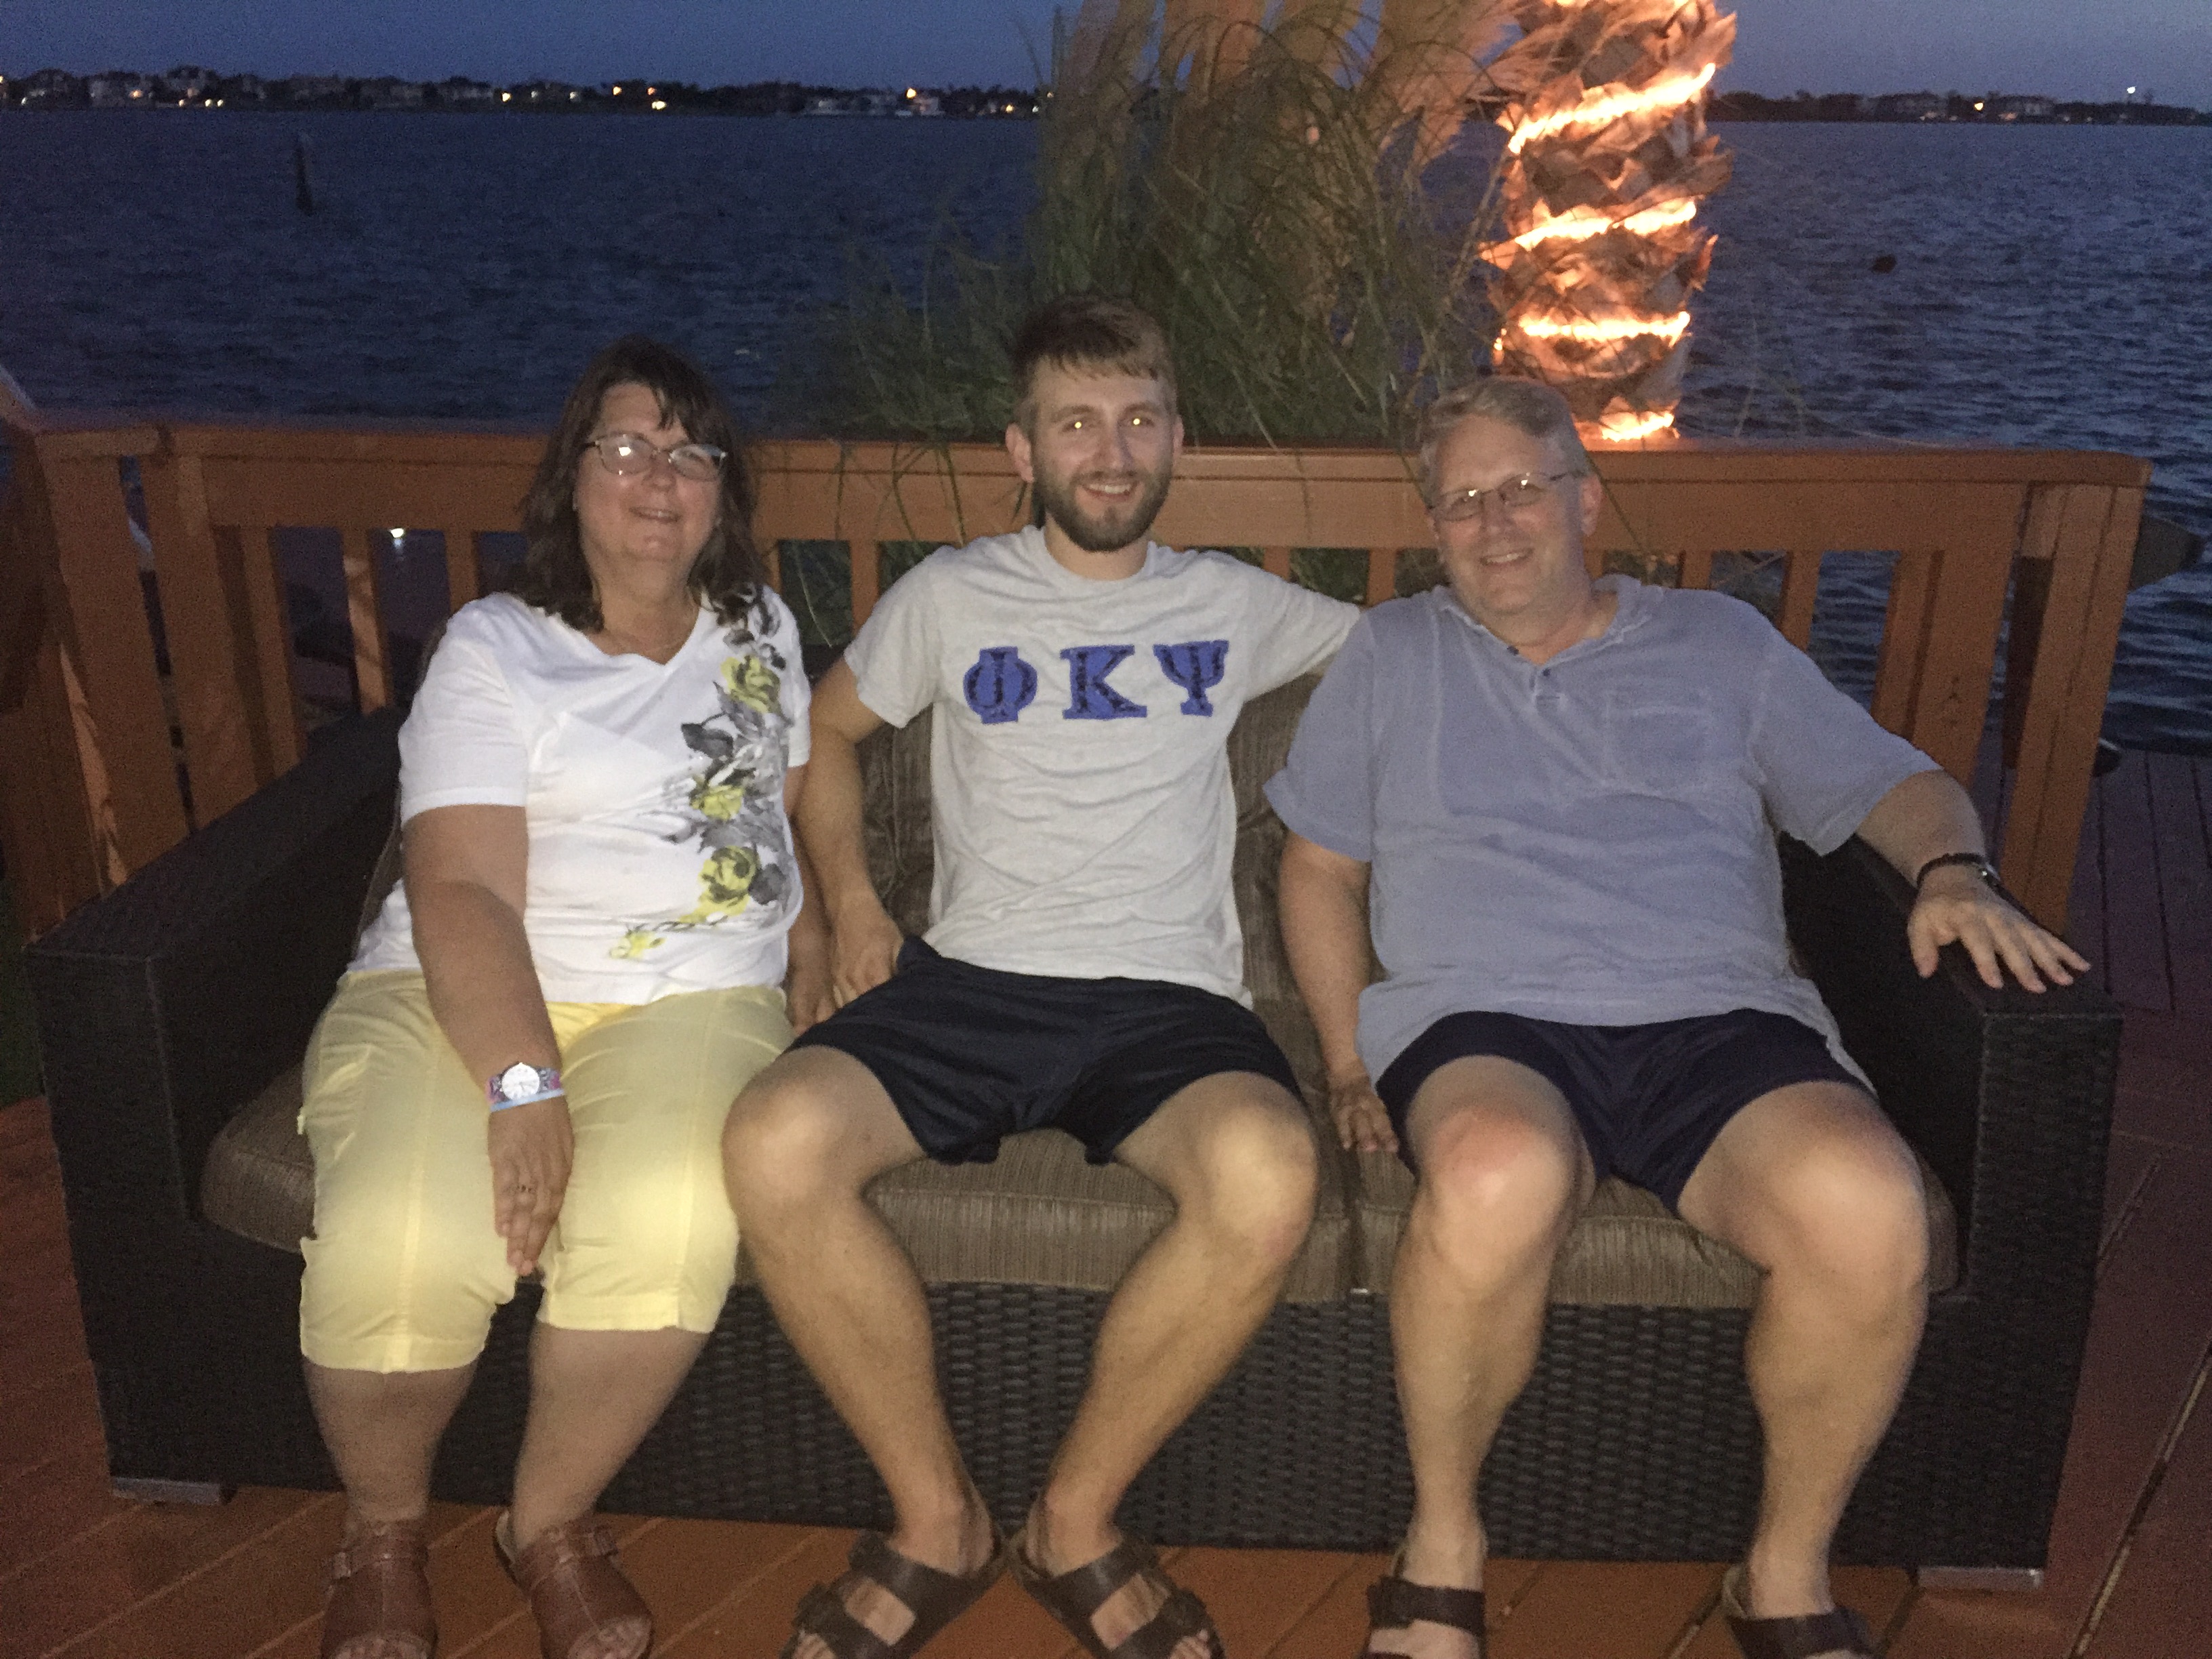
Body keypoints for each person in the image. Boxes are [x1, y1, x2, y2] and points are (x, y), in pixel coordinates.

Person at [1268, 377, 2088, 1659]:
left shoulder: (1719, 644)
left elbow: (1895, 784)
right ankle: (1443, 1544)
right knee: (1494, 1173)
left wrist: (1952, 872)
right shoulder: (1393, 653)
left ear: (1586, 499)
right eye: (1462, 501)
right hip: (1485, 1017)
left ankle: (1784, 1574)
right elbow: (1320, 868)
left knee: (1870, 1206)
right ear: (1434, 529)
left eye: (1522, 488)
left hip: (1717, 1017)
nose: (1494, 522)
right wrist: (1342, 1064)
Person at [721, 294, 1359, 1659]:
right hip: (972, 983)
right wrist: (849, 912)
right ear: (1023, 450)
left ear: (1177, 438)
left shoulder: (1235, 601)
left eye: (1137, 421)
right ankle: (936, 1521)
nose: (1110, 453)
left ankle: (1074, 1521)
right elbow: (823, 736)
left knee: (1270, 1176)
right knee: (774, 1141)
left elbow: (1413, 648)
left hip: (1170, 1003)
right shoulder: (952, 596)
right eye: (1076, 424)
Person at [301, 335, 823, 1659]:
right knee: (399, 1238)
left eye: (692, 453)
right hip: (461, 984)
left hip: (691, 999)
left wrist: (824, 934)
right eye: (627, 446)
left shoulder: (760, 628)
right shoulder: (497, 646)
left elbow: (781, 802)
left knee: (669, 1219)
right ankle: (380, 1530)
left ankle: (548, 1522)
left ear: (724, 489)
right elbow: (463, 887)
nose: (660, 478)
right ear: (572, 476)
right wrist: (524, 1084)